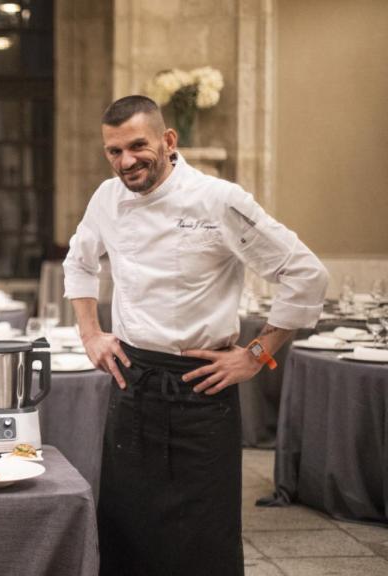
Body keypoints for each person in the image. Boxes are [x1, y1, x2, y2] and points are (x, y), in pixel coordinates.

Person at [63, 95, 327, 576]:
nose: (126, 161)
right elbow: (79, 263)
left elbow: (305, 274)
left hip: (202, 386)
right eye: (114, 151)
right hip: (132, 381)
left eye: (137, 146)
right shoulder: (106, 199)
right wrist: (90, 335)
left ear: (168, 140)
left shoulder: (218, 199)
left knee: (203, 538)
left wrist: (255, 354)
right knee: (126, 529)